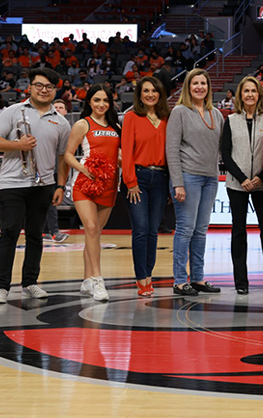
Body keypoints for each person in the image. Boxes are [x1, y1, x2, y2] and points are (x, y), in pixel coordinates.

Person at [0, 68, 71, 304]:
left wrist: (60, 186)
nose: (44, 90)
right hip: (12, 183)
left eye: (49, 87)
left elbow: (63, 157)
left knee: (36, 235)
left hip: (43, 185)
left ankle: (30, 282)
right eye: (39, 85)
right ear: (30, 87)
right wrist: (18, 145)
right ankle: (1, 286)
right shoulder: (13, 111)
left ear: (55, 91)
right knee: (9, 233)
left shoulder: (61, 121)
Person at [167, 68, 225, 296]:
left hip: (210, 178)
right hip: (188, 177)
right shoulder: (179, 111)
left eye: (203, 83)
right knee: (185, 229)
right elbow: (171, 149)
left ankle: (198, 278)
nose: (200, 87)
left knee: (201, 230)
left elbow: (220, 148)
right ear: (188, 87)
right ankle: (180, 280)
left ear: (208, 88)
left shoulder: (216, 114)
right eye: (195, 83)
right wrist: (177, 182)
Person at [221, 75, 263, 294]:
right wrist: (242, 178)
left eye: (254, 91)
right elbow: (225, 153)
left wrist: (261, 177)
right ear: (240, 95)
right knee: (238, 231)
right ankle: (241, 283)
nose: (250, 94)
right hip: (237, 184)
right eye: (246, 91)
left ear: (259, 94)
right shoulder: (231, 120)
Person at [64, 84, 121, 301]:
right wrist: (82, 168)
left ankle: (87, 279)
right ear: (89, 102)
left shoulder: (116, 126)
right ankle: (98, 280)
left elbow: (119, 155)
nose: (101, 104)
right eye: (97, 100)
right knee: (90, 227)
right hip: (85, 183)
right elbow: (68, 154)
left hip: (109, 185)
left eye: (105, 100)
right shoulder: (82, 124)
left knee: (94, 234)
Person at [122, 76, 171, 297]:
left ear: (160, 94)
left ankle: (149, 275)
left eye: (154, 90)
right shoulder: (131, 117)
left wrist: (172, 183)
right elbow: (126, 152)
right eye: (146, 91)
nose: (150, 94)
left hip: (161, 179)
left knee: (153, 231)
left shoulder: (167, 118)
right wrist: (131, 182)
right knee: (140, 230)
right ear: (139, 95)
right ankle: (141, 277)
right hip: (138, 179)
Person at [42, 99, 71, 243]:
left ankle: (48, 231)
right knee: (47, 202)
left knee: (51, 201)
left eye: (61, 107)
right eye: (56, 107)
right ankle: (53, 232)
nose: (58, 109)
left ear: (66, 112)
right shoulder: (45, 125)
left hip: (57, 170)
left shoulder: (68, 129)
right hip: (43, 169)